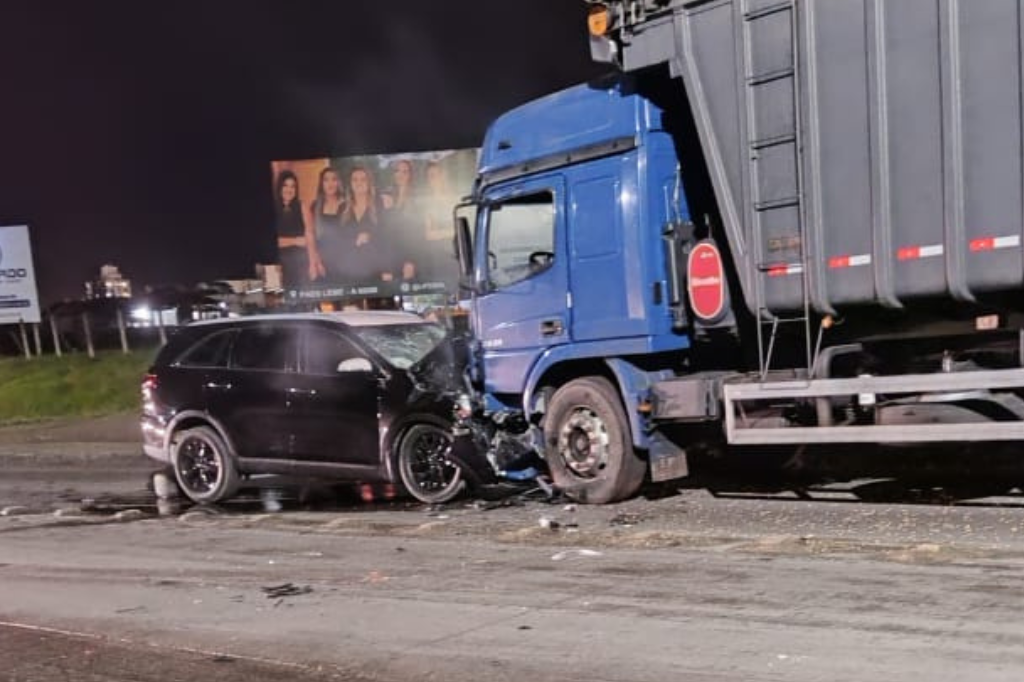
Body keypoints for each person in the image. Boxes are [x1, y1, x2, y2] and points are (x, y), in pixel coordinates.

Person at [319, 165, 391, 284]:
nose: (359, 183)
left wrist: (387, 268)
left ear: (369, 182)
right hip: (348, 270)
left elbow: (387, 239)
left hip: (374, 269)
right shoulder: (342, 208)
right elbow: (337, 241)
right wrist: (355, 240)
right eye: (355, 179)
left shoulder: (380, 205)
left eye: (363, 179)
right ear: (350, 184)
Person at [305, 166, 345, 281]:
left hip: (344, 260)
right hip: (321, 261)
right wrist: (316, 261)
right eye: (326, 180)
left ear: (338, 183)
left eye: (334, 179)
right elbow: (310, 234)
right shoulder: (315, 206)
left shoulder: (347, 205)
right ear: (321, 184)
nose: (330, 183)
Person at [273, 170, 309, 289]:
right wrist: (295, 241)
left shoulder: (301, 206)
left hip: (301, 262)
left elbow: (310, 233)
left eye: (293, 186)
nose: (289, 189)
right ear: (279, 187)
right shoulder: (273, 207)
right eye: (285, 185)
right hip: (280, 265)